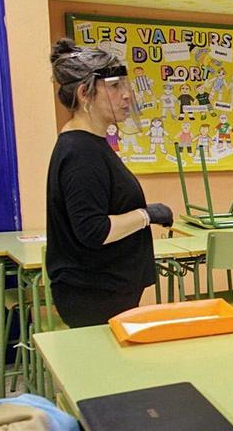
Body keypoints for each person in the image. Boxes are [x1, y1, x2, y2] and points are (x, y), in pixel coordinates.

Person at [46, 39, 173, 328]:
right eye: (115, 86)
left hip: (107, 289)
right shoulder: (80, 152)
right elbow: (94, 231)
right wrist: (146, 215)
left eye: (125, 86)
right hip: (95, 294)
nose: (127, 95)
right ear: (84, 93)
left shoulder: (89, 144)